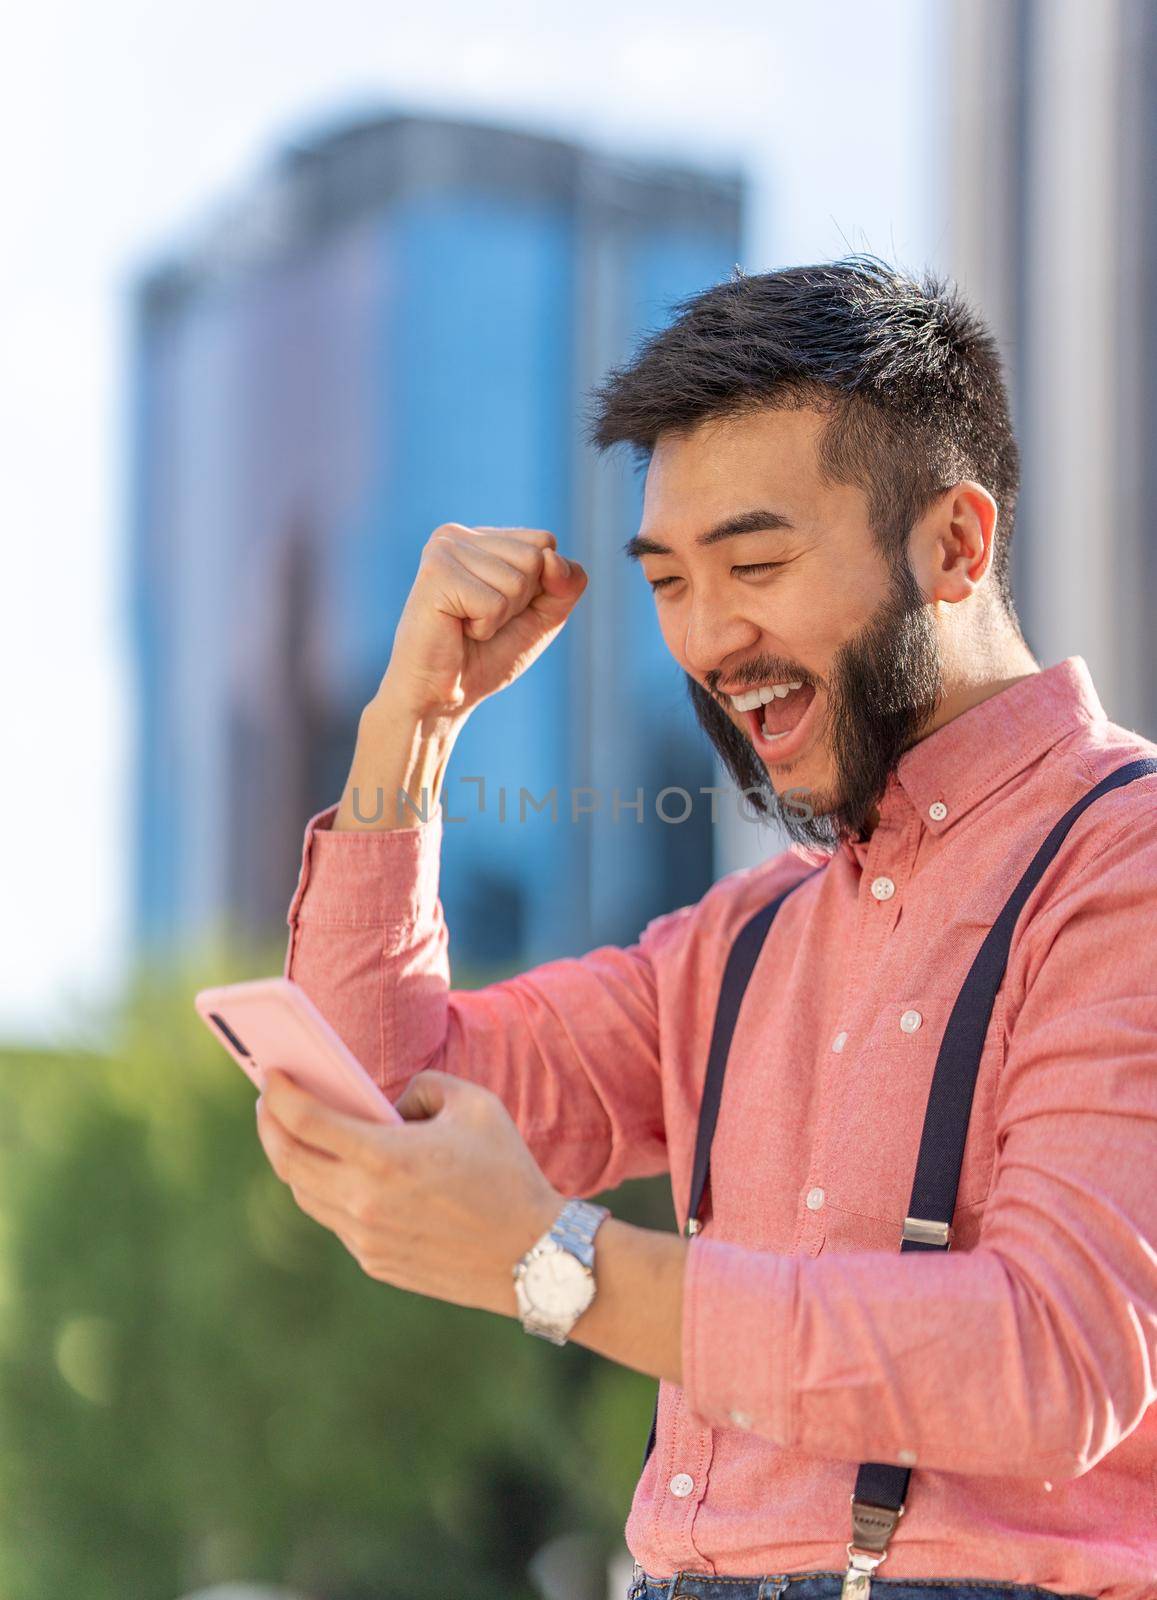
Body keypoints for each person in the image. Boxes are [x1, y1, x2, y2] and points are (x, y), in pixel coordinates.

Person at [254, 255, 1157, 1600]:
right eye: (668, 579)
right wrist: (416, 724)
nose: (709, 637)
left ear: (955, 545)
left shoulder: (1123, 866)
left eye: (754, 561)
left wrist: (560, 1265)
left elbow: (1047, 1355)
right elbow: (374, 1098)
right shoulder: (734, 946)